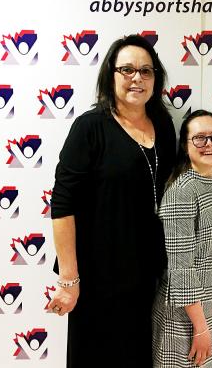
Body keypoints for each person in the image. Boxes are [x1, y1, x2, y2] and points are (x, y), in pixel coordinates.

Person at [48, 34, 176, 368]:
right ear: (111, 75)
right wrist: (69, 280)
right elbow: (62, 205)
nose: (138, 78)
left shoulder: (163, 124)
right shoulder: (90, 128)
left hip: (148, 277)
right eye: (128, 69)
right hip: (98, 280)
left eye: (146, 71)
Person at [152, 110, 212, 368]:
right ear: (185, 145)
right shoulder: (182, 192)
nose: (209, 144)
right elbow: (181, 270)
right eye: (200, 138)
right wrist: (201, 329)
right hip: (186, 316)